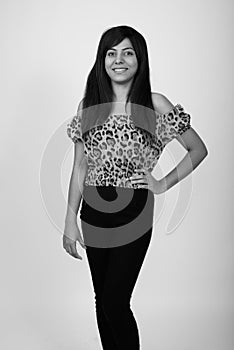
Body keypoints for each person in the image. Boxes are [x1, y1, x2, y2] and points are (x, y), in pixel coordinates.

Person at [63, 25, 208, 350]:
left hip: (134, 209)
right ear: (102, 60)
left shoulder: (155, 103)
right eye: (111, 53)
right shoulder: (88, 106)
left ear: (139, 59)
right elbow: (80, 166)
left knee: (116, 300)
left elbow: (197, 149)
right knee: (102, 300)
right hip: (93, 210)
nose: (119, 60)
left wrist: (161, 183)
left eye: (128, 52)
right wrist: (70, 219)